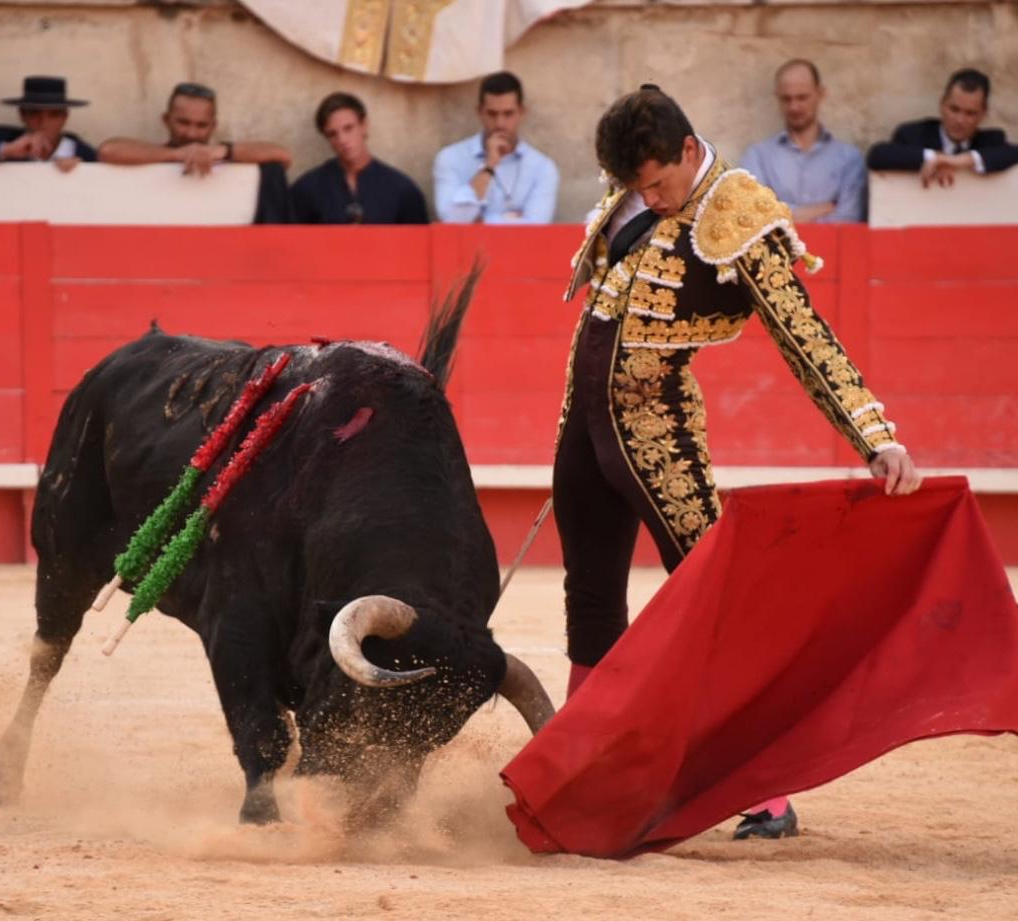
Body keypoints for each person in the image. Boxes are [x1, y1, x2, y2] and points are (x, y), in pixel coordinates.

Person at [556, 85, 922, 841]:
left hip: (657, 433)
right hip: (584, 427)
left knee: (714, 602)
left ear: (689, 151)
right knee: (588, 592)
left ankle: (768, 791)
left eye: (659, 183)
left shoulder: (737, 214)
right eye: (637, 187)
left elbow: (803, 334)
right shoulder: (635, 193)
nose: (650, 199)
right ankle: (578, 758)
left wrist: (872, 434)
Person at [97, 81, 293, 223]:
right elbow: (108, 150)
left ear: (213, 126)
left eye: (201, 125)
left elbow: (282, 155)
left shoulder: (221, 157)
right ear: (166, 120)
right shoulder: (153, 154)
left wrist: (223, 151)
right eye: (183, 123)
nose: (191, 133)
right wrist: (177, 155)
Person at [739, 60, 866, 223]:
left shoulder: (849, 159)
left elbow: (848, 219)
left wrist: (781, 215)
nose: (794, 107)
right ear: (777, 97)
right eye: (786, 99)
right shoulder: (757, 157)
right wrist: (822, 209)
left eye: (802, 97)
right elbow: (754, 217)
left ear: (820, 94)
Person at [866, 68, 1018, 187]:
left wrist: (960, 161)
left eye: (970, 113)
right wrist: (935, 157)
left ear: (983, 114)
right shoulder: (914, 134)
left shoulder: (991, 140)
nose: (960, 120)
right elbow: (878, 155)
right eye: (954, 109)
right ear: (942, 105)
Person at [432, 71, 558, 223]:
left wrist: (481, 223)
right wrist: (489, 166)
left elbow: (536, 226)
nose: (500, 124)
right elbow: (451, 219)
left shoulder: (542, 167)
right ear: (480, 112)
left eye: (508, 114)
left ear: (521, 112)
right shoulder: (451, 158)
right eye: (492, 114)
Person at [290, 92, 428, 224]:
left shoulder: (402, 190)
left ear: (364, 126)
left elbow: (419, 238)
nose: (342, 140)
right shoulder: (307, 189)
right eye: (332, 134)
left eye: (348, 128)